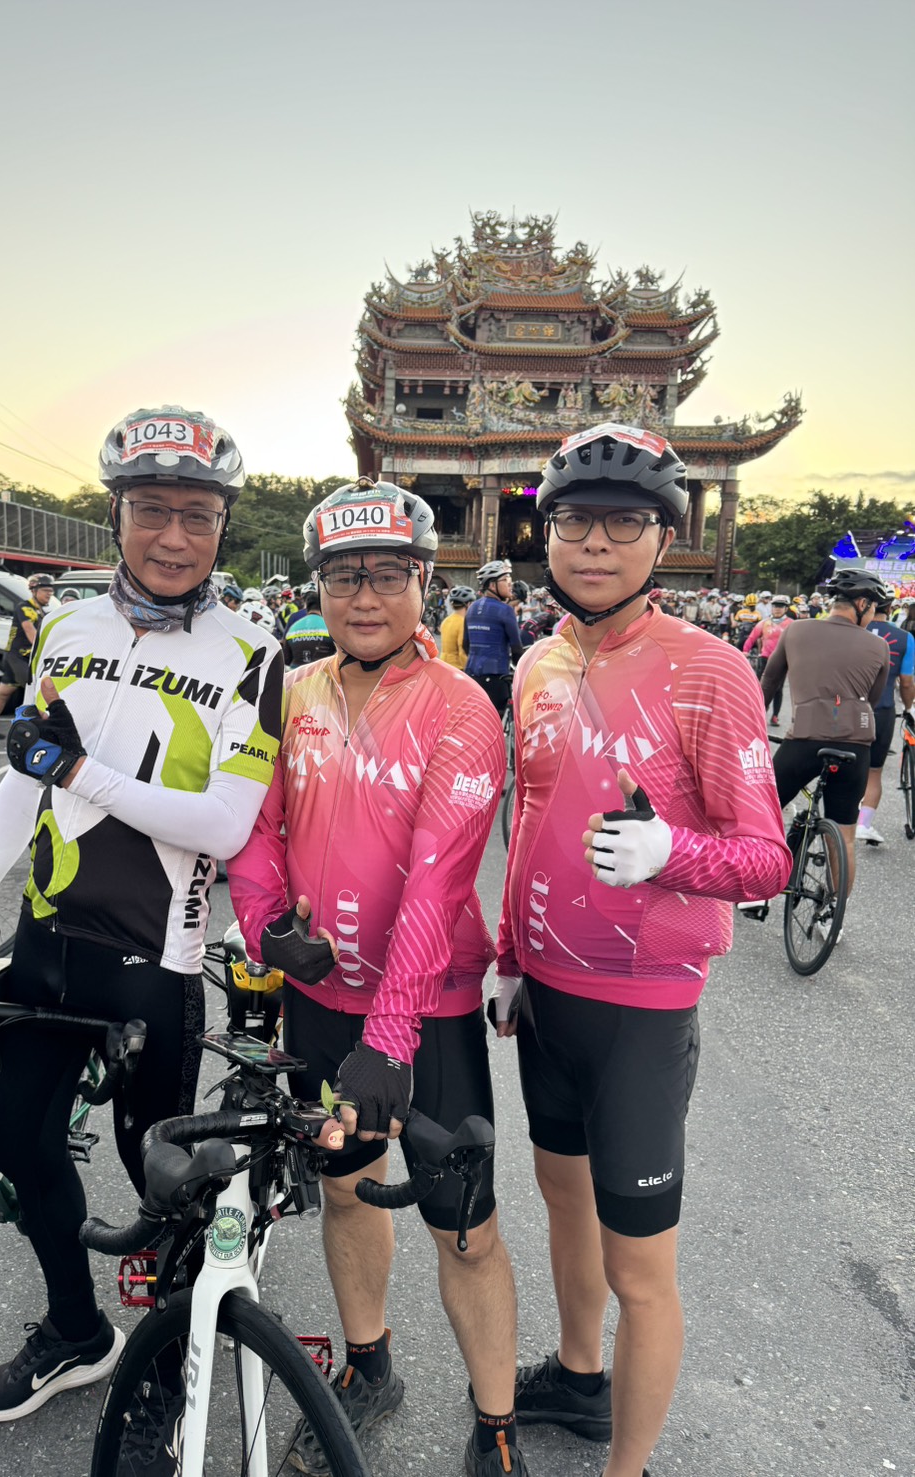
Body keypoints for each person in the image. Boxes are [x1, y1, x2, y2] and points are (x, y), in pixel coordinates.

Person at [0, 404, 285, 1426]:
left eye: (198, 515)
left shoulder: (253, 651)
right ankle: (78, 1333)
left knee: (162, 1179)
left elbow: (223, 822)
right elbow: (22, 778)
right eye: (151, 510)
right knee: (28, 1148)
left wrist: (80, 770)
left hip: (152, 962)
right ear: (115, 514)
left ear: (223, 525)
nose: (173, 536)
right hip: (47, 946)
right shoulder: (68, 626)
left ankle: (172, 1361)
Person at [494, 423, 790, 1477]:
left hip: (641, 1007)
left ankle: (630, 1467)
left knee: (641, 1269)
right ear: (546, 531)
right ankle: (581, 1379)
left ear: (665, 540)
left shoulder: (710, 670)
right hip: (544, 996)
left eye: (625, 523)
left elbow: (768, 858)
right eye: (576, 519)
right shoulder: (537, 661)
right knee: (562, 1202)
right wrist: (508, 952)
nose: (595, 542)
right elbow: (530, 817)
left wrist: (673, 852)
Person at [229, 477, 527, 1477]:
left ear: (424, 582)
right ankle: (369, 1364)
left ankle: (495, 1424)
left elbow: (437, 884)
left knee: (465, 1230)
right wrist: (268, 926)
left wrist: (391, 1036)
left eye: (388, 575)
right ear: (318, 583)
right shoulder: (294, 690)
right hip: (319, 1003)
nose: (364, 596)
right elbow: (255, 828)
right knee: (348, 1195)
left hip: (424, 1015)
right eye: (344, 575)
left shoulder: (462, 710)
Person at [759, 568, 890, 899]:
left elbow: (770, 681)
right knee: (845, 835)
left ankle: (753, 892)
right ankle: (833, 909)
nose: (872, 615)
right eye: (873, 608)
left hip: (804, 740)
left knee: (761, 814)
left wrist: (751, 725)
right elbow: (871, 700)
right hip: (856, 746)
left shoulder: (796, 630)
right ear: (862, 604)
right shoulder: (879, 646)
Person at [855, 585, 915, 844]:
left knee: (842, 764)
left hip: (847, 708)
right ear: (890, 608)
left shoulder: (852, 630)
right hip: (882, 709)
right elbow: (906, 682)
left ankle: (837, 819)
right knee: (874, 771)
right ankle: (863, 824)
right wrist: (909, 708)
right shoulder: (905, 638)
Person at [0, 572, 56, 739]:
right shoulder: (25, 608)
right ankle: (40, 733)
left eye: (51, 591)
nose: (49, 594)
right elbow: (30, 633)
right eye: (45, 590)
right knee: (37, 693)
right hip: (18, 658)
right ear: (34, 590)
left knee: (3, 694)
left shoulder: (40, 610)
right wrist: (46, 651)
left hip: (18, 658)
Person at [465, 559, 526, 716]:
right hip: (496, 676)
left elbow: (466, 645)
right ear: (492, 585)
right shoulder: (505, 610)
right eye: (505, 580)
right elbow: (517, 648)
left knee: (475, 721)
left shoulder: (471, 608)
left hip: (471, 676)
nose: (510, 584)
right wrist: (520, 669)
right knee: (494, 722)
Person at [742, 594, 794, 725]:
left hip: (782, 661)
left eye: (781, 606)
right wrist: (745, 651)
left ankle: (775, 715)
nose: (778, 609)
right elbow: (751, 638)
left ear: (786, 609)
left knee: (778, 689)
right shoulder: (764, 623)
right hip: (764, 659)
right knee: (761, 688)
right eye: (775, 606)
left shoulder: (791, 624)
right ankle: (760, 714)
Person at [283, 585, 336, 666]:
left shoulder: (293, 628)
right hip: (323, 672)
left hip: (297, 672)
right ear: (322, 607)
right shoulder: (330, 626)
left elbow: (286, 659)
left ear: (307, 608)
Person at [439, 584, 473, 669]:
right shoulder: (462, 622)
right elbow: (462, 651)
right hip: (457, 667)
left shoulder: (446, 620)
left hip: (443, 664)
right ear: (468, 604)